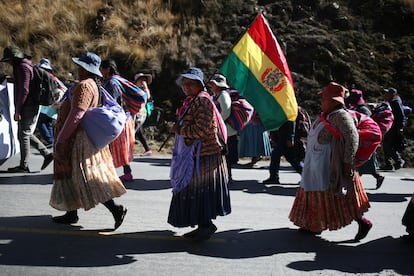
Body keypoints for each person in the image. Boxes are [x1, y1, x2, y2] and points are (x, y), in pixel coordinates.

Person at [49, 52, 127, 229]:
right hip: (81, 137)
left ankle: (115, 209)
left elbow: (77, 115)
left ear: (86, 69)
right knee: (72, 176)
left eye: (80, 66)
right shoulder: (94, 84)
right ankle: (71, 213)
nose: (77, 69)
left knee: (88, 178)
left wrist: (62, 139)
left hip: (77, 139)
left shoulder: (85, 86)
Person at [289, 82, 372, 241]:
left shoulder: (340, 115)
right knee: (319, 194)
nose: (322, 102)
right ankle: (314, 224)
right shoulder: (327, 115)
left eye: (325, 99)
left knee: (341, 199)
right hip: (318, 162)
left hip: (332, 165)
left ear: (335, 101)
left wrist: (348, 162)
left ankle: (363, 222)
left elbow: (352, 137)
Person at [168, 67, 231, 241]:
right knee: (197, 191)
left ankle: (206, 226)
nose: (186, 86)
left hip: (205, 155)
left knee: (200, 192)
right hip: (197, 155)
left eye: (190, 83)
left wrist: (180, 129)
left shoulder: (202, 101)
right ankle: (202, 225)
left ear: (199, 85)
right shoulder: (193, 100)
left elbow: (203, 129)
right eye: (184, 83)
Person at [0, 46, 53, 172]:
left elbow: (24, 90)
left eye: (8, 60)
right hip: (30, 104)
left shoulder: (23, 68)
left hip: (28, 105)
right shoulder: (24, 66)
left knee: (23, 134)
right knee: (25, 133)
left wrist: (18, 110)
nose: (8, 62)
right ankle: (47, 154)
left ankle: (24, 165)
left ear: (14, 58)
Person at [100, 59, 135, 182]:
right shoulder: (118, 80)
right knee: (120, 148)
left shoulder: (111, 83)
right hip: (126, 118)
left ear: (107, 69)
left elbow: (111, 102)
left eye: (101, 68)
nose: (100, 71)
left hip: (118, 120)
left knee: (110, 147)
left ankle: (107, 173)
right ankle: (127, 173)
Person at [345, 89, 385, 189]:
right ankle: (357, 182)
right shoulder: (358, 108)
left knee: (361, 163)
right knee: (364, 165)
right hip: (362, 140)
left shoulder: (363, 110)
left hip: (366, 142)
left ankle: (355, 184)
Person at [208, 73, 237, 182]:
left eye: (213, 84)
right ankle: (223, 176)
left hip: (226, 131)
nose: (211, 86)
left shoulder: (223, 95)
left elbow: (226, 111)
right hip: (222, 130)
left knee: (225, 156)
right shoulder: (218, 95)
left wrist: (216, 122)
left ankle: (227, 177)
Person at [262, 115, 304, 184]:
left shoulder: (288, 107)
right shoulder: (280, 108)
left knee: (276, 155)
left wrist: (291, 137)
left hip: (286, 136)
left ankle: (274, 177)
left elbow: (292, 121)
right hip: (282, 135)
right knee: (291, 158)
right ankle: (308, 176)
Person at [35, 58, 67, 147]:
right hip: (55, 103)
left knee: (41, 121)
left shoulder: (43, 76)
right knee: (47, 121)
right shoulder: (54, 77)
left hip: (48, 103)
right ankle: (52, 141)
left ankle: (50, 141)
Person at [381, 87, 407, 171]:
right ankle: (389, 164)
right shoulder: (392, 101)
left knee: (387, 144)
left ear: (392, 95)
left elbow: (401, 115)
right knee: (386, 143)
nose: (385, 95)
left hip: (396, 127)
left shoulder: (395, 102)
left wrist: (400, 127)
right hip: (393, 126)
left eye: (387, 93)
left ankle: (399, 160)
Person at [134, 72, 153, 156]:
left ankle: (127, 150)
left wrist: (145, 87)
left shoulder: (144, 91)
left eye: (144, 80)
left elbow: (148, 97)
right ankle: (147, 149)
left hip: (140, 114)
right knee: (139, 132)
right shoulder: (133, 89)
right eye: (141, 80)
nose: (143, 82)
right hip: (135, 113)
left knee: (132, 132)